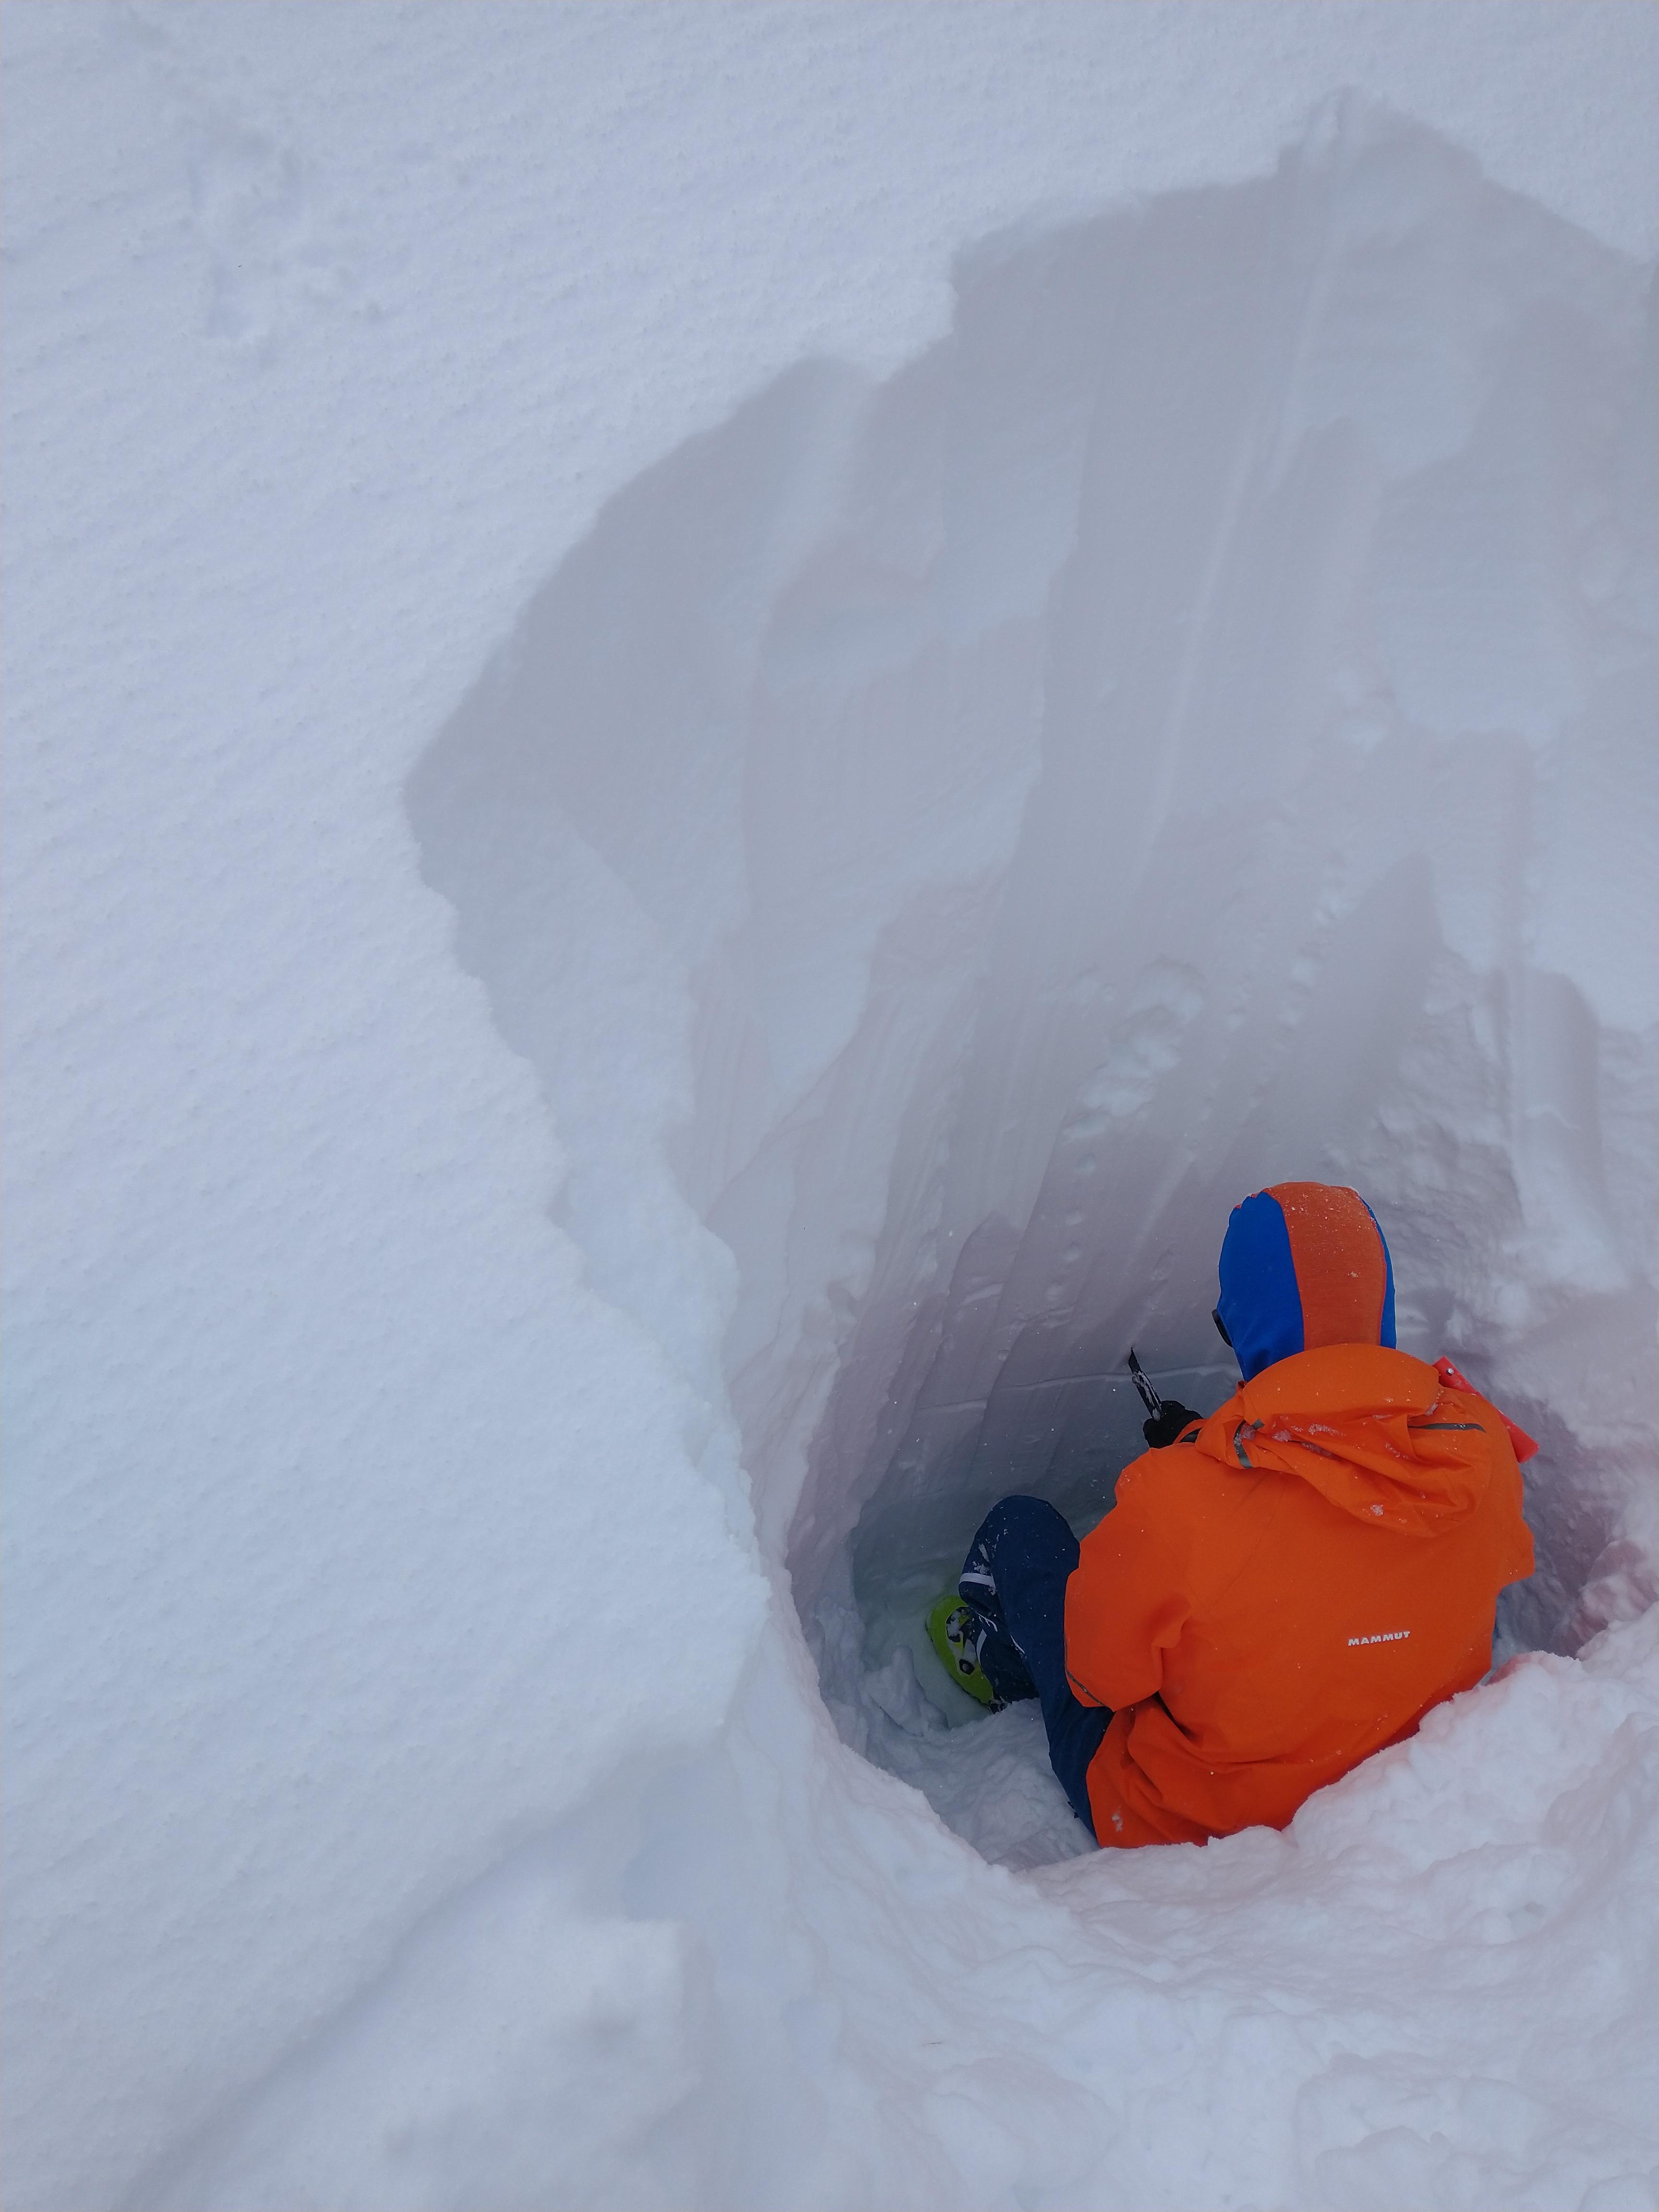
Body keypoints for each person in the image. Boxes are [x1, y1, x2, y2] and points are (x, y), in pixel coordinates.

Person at [926, 1182, 1536, 1848]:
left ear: (1237, 1327)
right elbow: (1344, 1499)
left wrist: (1193, 1482)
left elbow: (1096, 1678)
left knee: (1020, 1529)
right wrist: (1208, 1448)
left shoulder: (1175, 1504)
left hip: (1189, 1821)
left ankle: (1001, 1666)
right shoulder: (1482, 1450)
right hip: (1391, 1766)